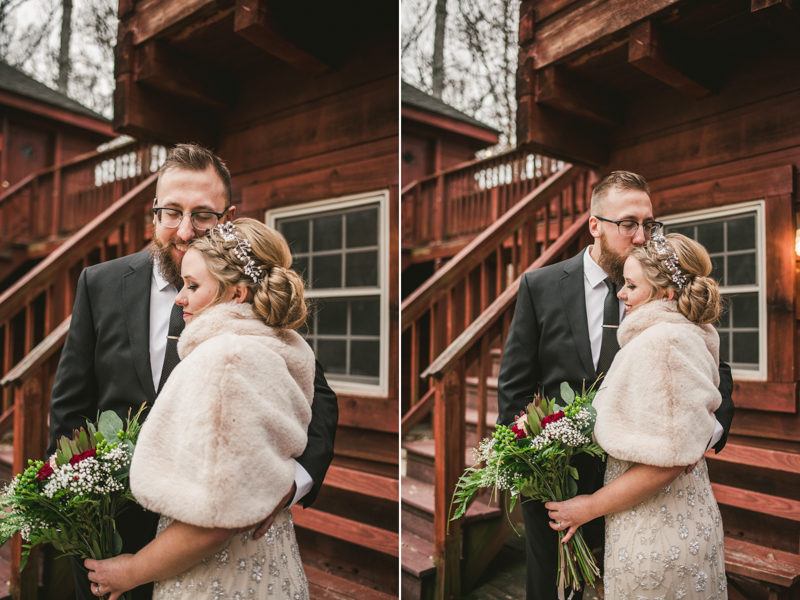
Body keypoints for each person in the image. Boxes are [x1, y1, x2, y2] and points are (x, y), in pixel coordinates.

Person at [48, 144, 338, 600]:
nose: (184, 230)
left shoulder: (250, 294)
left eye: (202, 214)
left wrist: (291, 484)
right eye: (171, 212)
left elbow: (314, 395)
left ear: (228, 216)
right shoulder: (99, 282)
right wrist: (74, 509)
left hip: (220, 534)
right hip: (115, 526)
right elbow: (70, 403)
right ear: (154, 213)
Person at [495, 171, 734, 600]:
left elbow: (714, 371)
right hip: (560, 482)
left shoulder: (664, 287)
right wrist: (527, 470)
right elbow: (514, 385)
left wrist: (699, 435)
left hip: (644, 487)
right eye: (628, 224)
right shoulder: (541, 285)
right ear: (595, 225)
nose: (642, 236)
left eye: (650, 224)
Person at [84, 218, 314, 599]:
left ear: (237, 294)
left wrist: (131, 571)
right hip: (268, 558)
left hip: (216, 576)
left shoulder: (225, 360)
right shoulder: (275, 344)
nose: (180, 297)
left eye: (192, 286)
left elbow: (214, 521)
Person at [545, 234, 728, 599]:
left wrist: (589, 506)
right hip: (655, 513)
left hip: (658, 526)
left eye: (631, 285)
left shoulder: (663, 343)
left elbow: (668, 461)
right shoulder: (676, 334)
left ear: (666, 294)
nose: (620, 294)